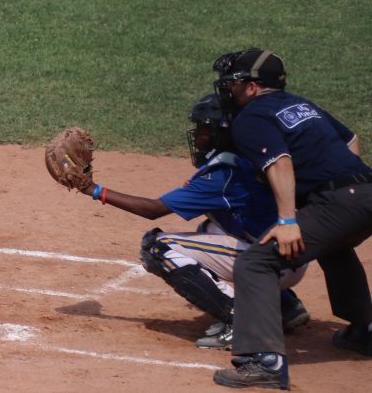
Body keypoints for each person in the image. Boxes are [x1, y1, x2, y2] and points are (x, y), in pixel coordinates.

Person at [80, 94, 309, 350]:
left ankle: (243, 321)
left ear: (218, 133)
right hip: (287, 254)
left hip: (270, 263)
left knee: (159, 248)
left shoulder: (222, 176)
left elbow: (153, 209)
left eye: (203, 129)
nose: (198, 136)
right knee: (208, 228)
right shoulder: (246, 158)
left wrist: (93, 189)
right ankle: (285, 306)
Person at [210, 49, 372, 390]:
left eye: (234, 83)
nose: (229, 90)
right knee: (334, 246)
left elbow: (279, 162)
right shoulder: (302, 105)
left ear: (252, 88)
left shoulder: (251, 118)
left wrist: (288, 221)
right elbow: (351, 140)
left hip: (344, 202)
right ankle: (364, 331)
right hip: (366, 191)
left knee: (255, 263)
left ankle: (263, 361)